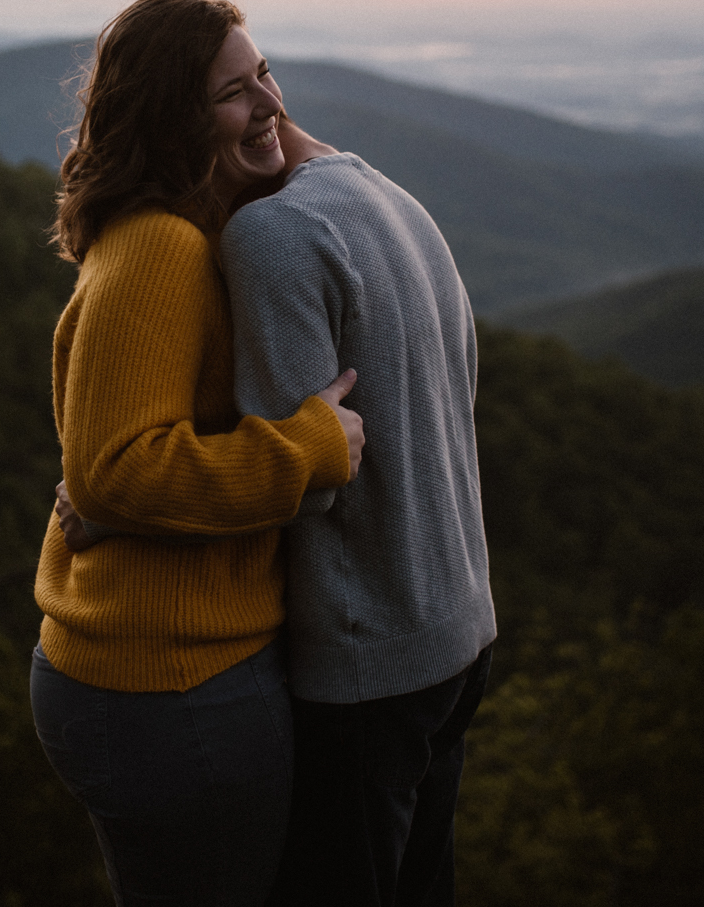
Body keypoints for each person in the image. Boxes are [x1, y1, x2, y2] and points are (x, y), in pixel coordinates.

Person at [30, 0, 365, 907]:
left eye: (267, 74)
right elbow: (117, 466)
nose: (268, 105)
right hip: (173, 687)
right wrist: (310, 446)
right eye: (233, 91)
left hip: (152, 678)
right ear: (174, 116)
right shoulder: (162, 250)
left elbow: (104, 451)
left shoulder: (179, 234)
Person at [224, 115, 497, 907]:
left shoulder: (269, 233)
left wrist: (120, 501)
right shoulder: (386, 194)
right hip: (460, 627)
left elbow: (305, 482)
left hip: (368, 657)